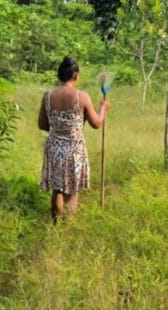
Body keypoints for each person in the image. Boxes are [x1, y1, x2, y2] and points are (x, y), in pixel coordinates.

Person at [39, 56, 109, 221]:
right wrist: (103, 108)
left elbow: (42, 124)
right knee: (72, 191)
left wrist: (59, 129)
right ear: (76, 76)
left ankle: (56, 224)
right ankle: (67, 226)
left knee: (58, 189)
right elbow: (97, 123)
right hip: (74, 150)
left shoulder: (48, 96)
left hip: (54, 148)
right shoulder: (82, 97)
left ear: (59, 75)